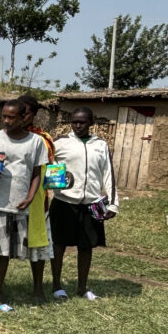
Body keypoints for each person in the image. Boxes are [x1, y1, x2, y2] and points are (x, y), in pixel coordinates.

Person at [0, 99, 49, 312]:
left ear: (23, 117)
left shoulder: (36, 142)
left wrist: (31, 197)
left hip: (18, 204)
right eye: (4, 116)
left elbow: (36, 173)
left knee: (5, 253)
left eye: (11, 117)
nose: (6, 120)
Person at [50, 107, 118, 300]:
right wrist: (62, 178)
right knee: (59, 245)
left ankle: (82, 287)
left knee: (86, 246)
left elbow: (108, 174)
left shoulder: (101, 145)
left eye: (82, 122)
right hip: (64, 202)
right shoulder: (61, 143)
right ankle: (56, 285)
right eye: (74, 122)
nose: (78, 125)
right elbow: (47, 166)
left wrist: (113, 204)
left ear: (91, 123)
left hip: (91, 203)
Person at [17, 94, 56, 302]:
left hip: (38, 199)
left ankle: (38, 287)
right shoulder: (8, 135)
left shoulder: (43, 139)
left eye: (26, 113)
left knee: (39, 244)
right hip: (10, 195)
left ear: (34, 114)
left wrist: (58, 182)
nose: (22, 117)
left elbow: (51, 169)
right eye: (19, 112)